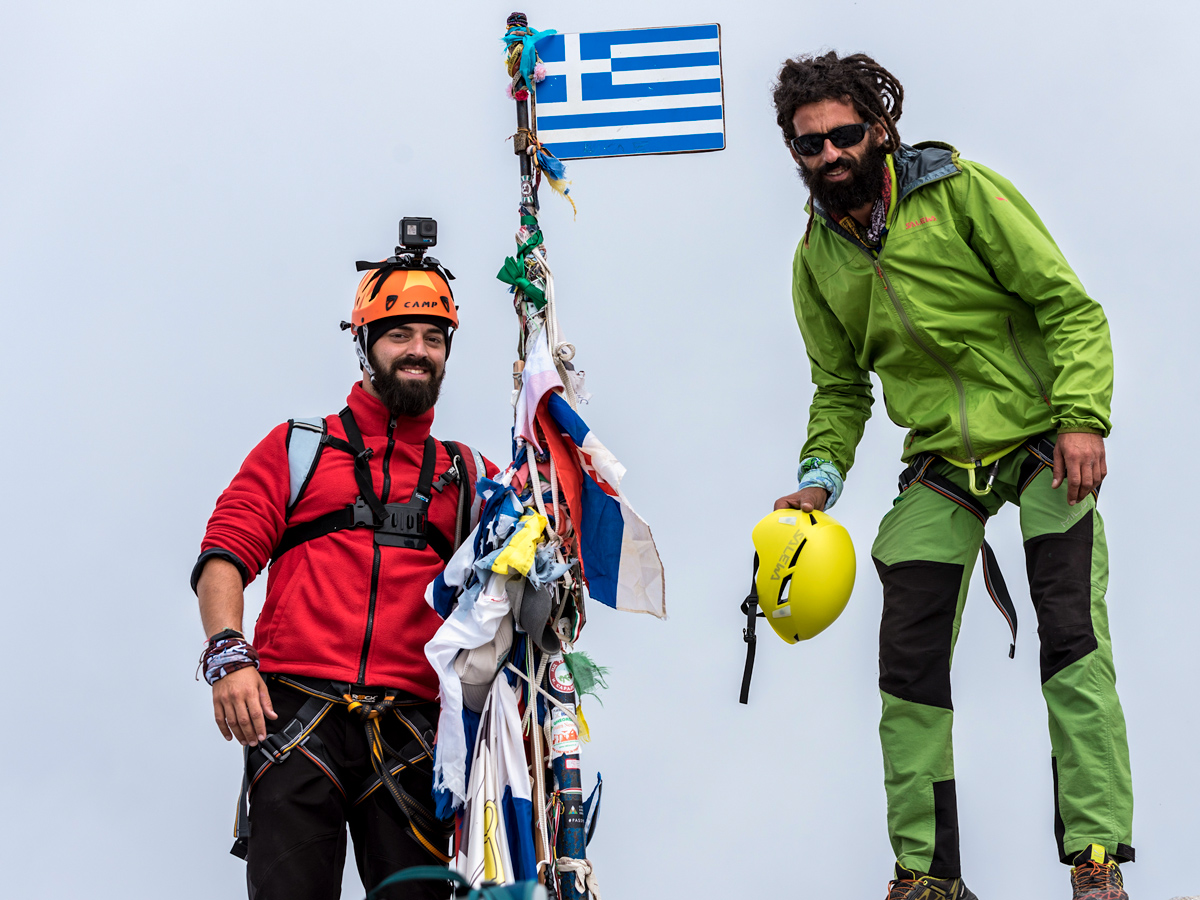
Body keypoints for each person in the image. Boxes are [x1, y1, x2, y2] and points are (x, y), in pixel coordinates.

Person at [770, 52, 1134, 900]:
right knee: (907, 664)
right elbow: (839, 388)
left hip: (1043, 437)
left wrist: (1082, 417)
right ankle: (927, 876)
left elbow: (1068, 308)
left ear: (880, 129)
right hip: (939, 464)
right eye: (809, 144)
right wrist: (818, 480)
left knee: (1072, 642)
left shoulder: (962, 193)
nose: (829, 155)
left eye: (844, 135)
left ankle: (1096, 857)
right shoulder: (815, 260)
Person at [191, 233, 496, 899]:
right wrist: (227, 652)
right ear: (366, 347)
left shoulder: (469, 475)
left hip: (414, 735)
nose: (419, 350)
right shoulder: (299, 448)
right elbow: (226, 554)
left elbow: (531, 561)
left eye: (434, 337)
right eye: (400, 335)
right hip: (297, 721)